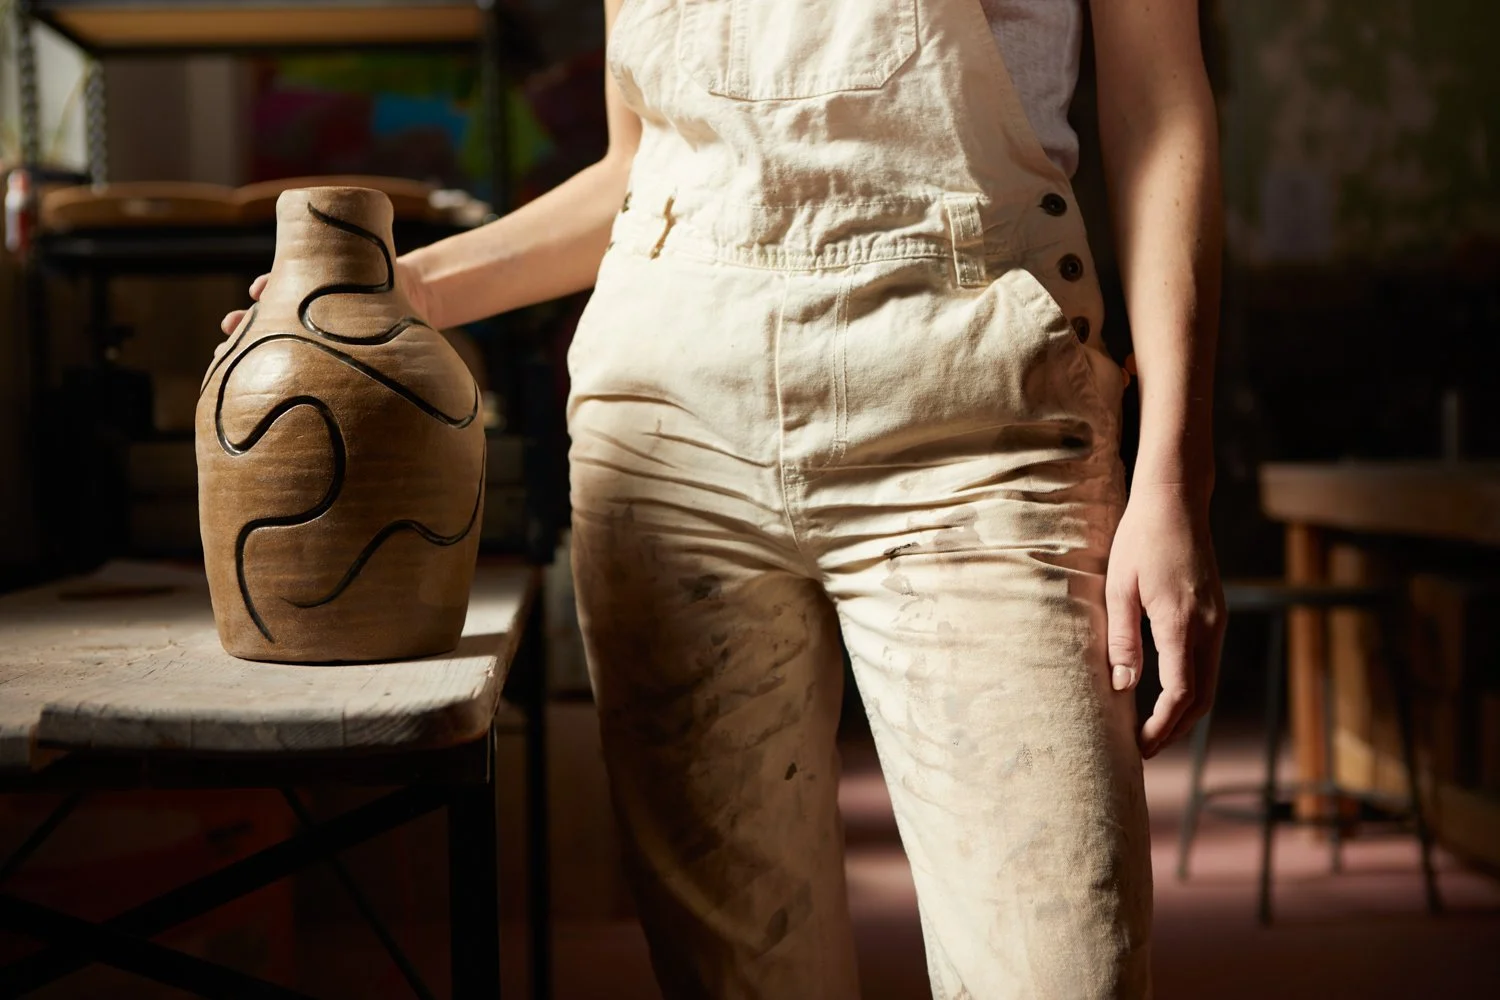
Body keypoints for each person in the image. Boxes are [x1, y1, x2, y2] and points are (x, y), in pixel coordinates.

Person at [225, 1, 1224, 995]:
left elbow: (1160, 104)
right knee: (739, 976)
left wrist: (1174, 477)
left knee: (1064, 970)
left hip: (972, 398)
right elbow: (643, 167)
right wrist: (404, 291)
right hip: (667, 427)